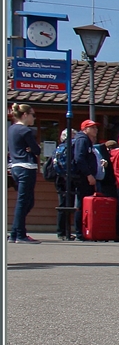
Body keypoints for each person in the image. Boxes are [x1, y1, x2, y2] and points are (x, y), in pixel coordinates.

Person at [7, 104, 42, 244]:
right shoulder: (26, 131)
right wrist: (33, 148)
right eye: (33, 115)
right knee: (24, 202)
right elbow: (37, 150)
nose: (34, 118)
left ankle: (15, 232)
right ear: (25, 115)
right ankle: (20, 234)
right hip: (27, 167)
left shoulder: (11, 129)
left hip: (15, 167)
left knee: (26, 201)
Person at [71, 119, 100, 240]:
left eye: (96, 127)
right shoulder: (82, 140)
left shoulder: (87, 141)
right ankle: (79, 232)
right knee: (81, 204)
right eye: (92, 127)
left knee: (84, 204)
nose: (95, 130)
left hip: (86, 177)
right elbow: (79, 158)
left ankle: (82, 231)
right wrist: (88, 174)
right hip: (82, 178)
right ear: (85, 129)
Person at [53, 129, 72, 240]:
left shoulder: (58, 148)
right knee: (65, 205)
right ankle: (63, 231)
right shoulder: (67, 148)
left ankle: (62, 231)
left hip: (58, 178)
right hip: (64, 179)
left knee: (62, 204)